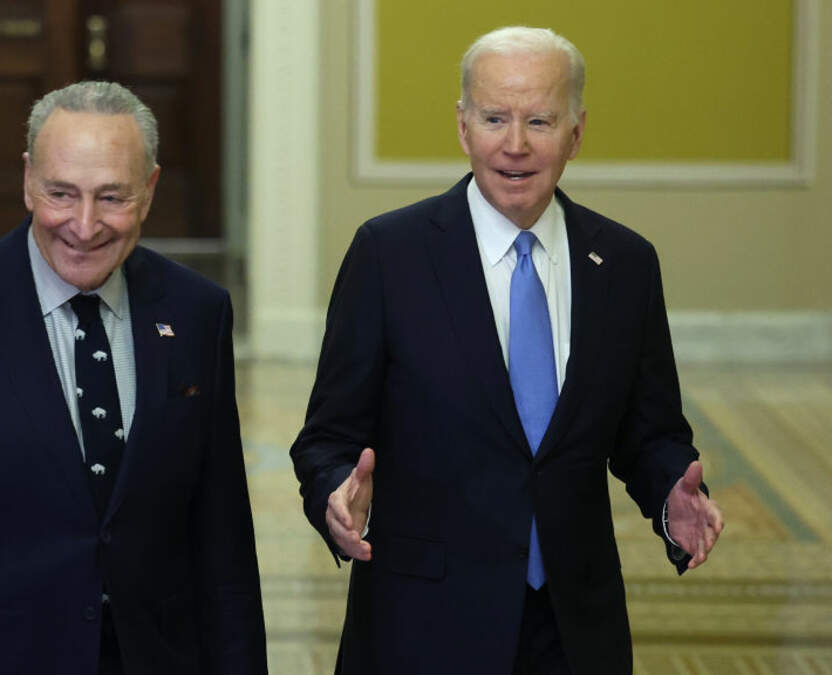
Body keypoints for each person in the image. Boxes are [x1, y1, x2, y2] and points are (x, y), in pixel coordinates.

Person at [290, 26, 724, 674]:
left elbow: (649, 432)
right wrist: (336, 495)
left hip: (575, 631)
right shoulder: (390, 255)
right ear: (463, 126)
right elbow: (327, 440)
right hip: (423, 627)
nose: (515, 144)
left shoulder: (625, 264)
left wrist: (672, 495)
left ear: (576, 132)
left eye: (539, 120)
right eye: (495, 118)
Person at [0, 81, 268, 675]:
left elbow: (223, 543)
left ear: (149, 190)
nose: (84, 226)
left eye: (112, 197)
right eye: (61, 194)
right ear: (27, 180)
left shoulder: (197, 312)